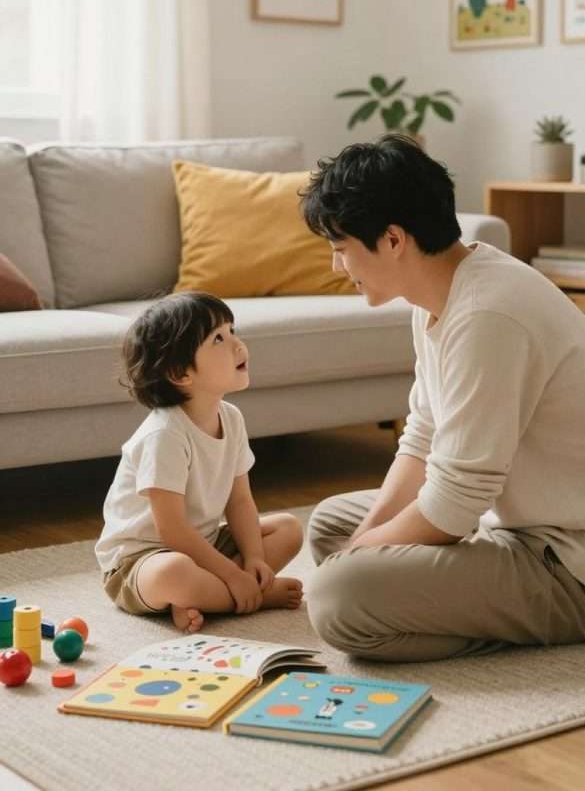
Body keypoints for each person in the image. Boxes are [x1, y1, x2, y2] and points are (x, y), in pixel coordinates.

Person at [300, 133, 585, 663]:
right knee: (330, 527)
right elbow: (423, 437)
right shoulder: (438, 293)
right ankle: (454, 605)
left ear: (392, 239)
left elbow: (455, 501)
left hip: (565, 557)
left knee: (337, 595)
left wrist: (360, 559)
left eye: (341, 250)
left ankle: (519, 628)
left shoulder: (488, 316)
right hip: (505, 522)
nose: (338, 267)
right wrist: (363, 540)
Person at [95, 292, 303, 633]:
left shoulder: (231, 418)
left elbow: (239, 501)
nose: (238, 344)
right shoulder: (164, 434)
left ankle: (207, 597)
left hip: (203, 545)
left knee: (288, 529)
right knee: (173, 572)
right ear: (180, 373)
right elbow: (172, 531)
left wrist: (253, 558)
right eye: (219, 339)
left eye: (232, 330)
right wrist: (234, 574)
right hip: (141, 562)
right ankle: (250, 597)